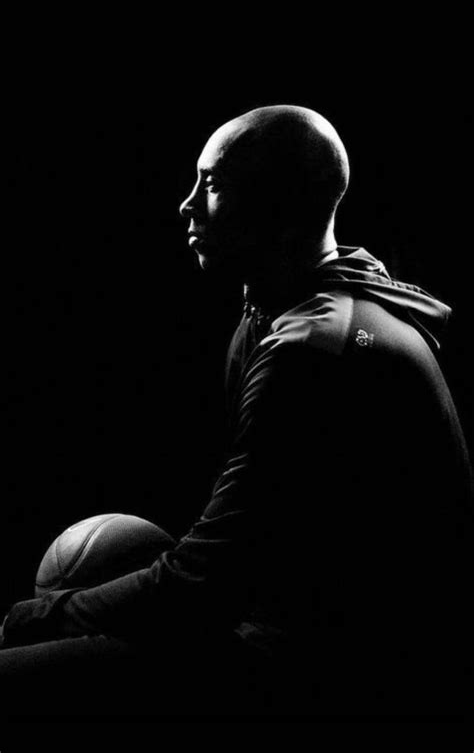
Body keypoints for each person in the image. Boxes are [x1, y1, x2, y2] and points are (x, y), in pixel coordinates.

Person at [0, 105, 472, 720]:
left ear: (280, 202)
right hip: (282, 613)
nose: (187, 204)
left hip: (344, 669)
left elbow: (204, 582)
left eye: (213, 184)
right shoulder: (280, 311)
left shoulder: (311, 353)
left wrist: (26, 619)